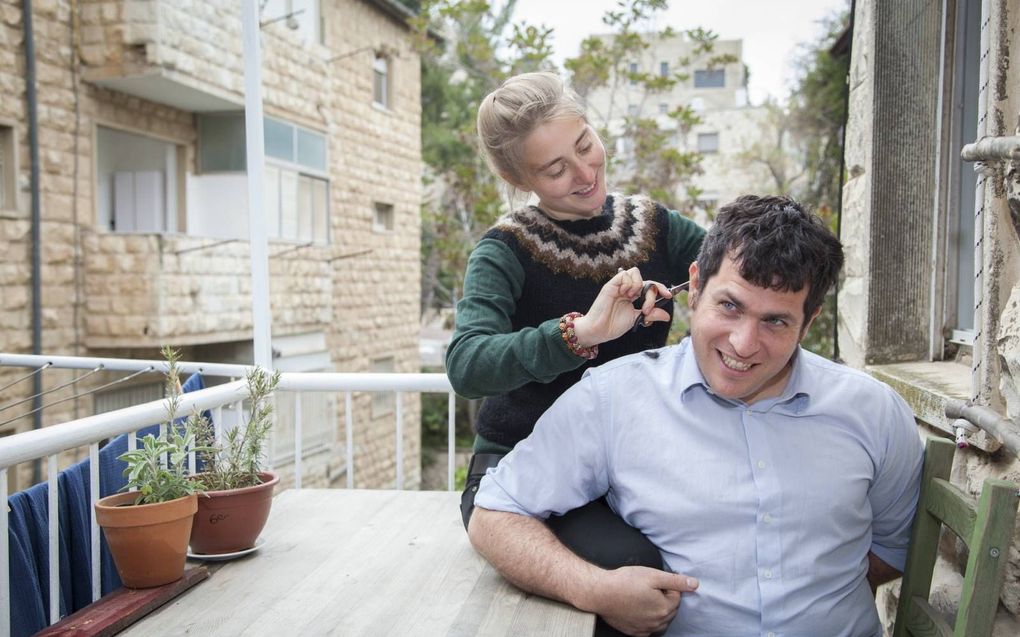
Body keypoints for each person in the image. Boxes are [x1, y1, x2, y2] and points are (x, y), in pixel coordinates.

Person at [468, 195, 925, 637]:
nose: (743, 344)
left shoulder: (875, 412)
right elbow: (494, 512)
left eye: (776, 322)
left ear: (809, 322)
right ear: (696, 286)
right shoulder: (614, 399)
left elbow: (889, 549)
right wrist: (595, 589)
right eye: (730, 306)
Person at [445, 71, 705, 578]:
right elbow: (466, 365)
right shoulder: (504, 251)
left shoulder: (655, 226)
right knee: (635, 566)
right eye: (555, 169)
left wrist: (696, 294)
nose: (585, 173)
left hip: (624, 470)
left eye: (586, 145)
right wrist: (579, 335)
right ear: (522, 181)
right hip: (516, 476)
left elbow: (731, 267)